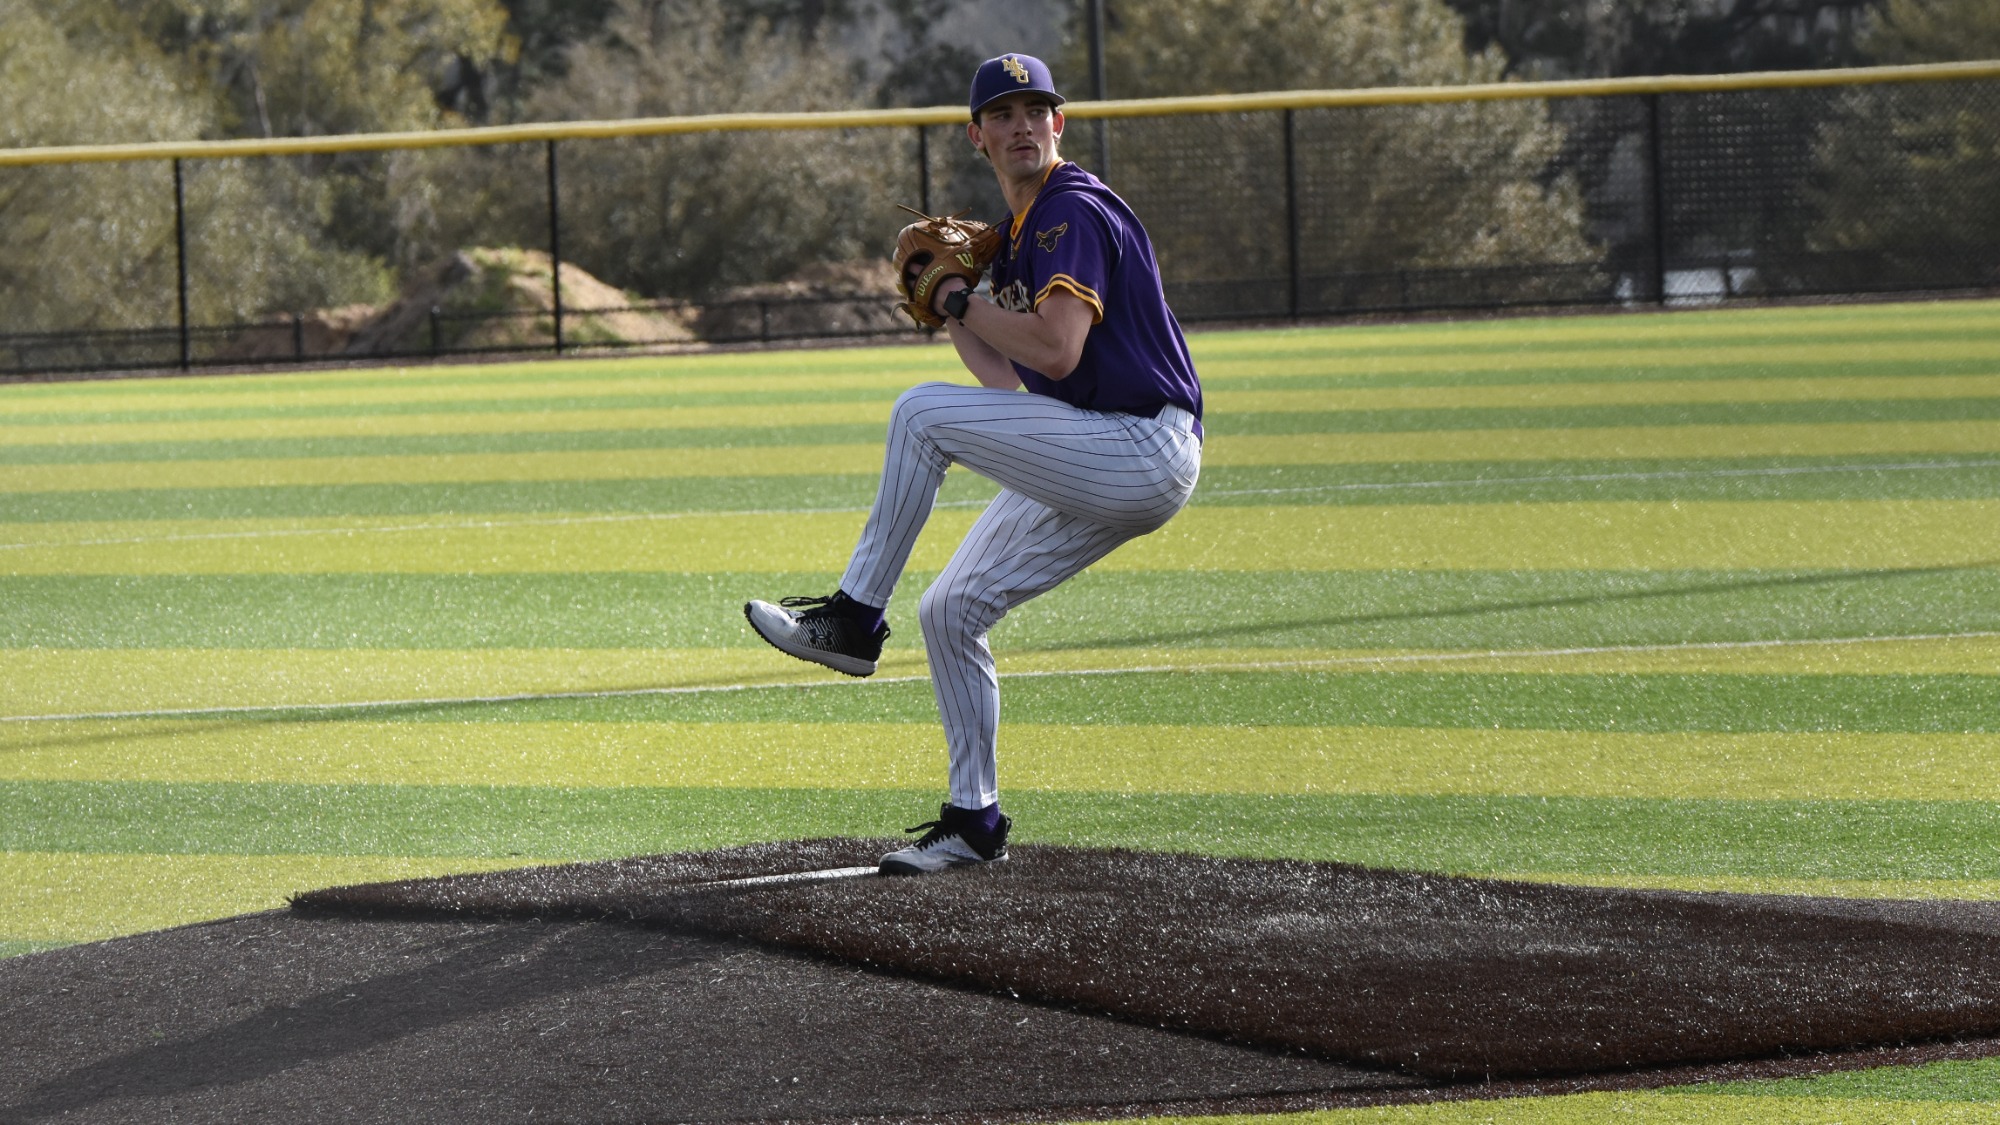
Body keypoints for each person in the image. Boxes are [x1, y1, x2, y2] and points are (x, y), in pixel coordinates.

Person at [745, 52, 1203, 875]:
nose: (1022, 124)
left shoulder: (1070, 210)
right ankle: (972, 818)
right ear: (976, 137)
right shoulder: (1024, 241)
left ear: (1058, 125)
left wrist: (961, 297)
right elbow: (1009, 385)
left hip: (1138, 444)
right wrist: (952, 297)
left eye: (1037, 110)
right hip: (1100, 443)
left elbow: (1058, 352)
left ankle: (852, 618)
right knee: (951, 610)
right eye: (1003, 113)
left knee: (918, 412)